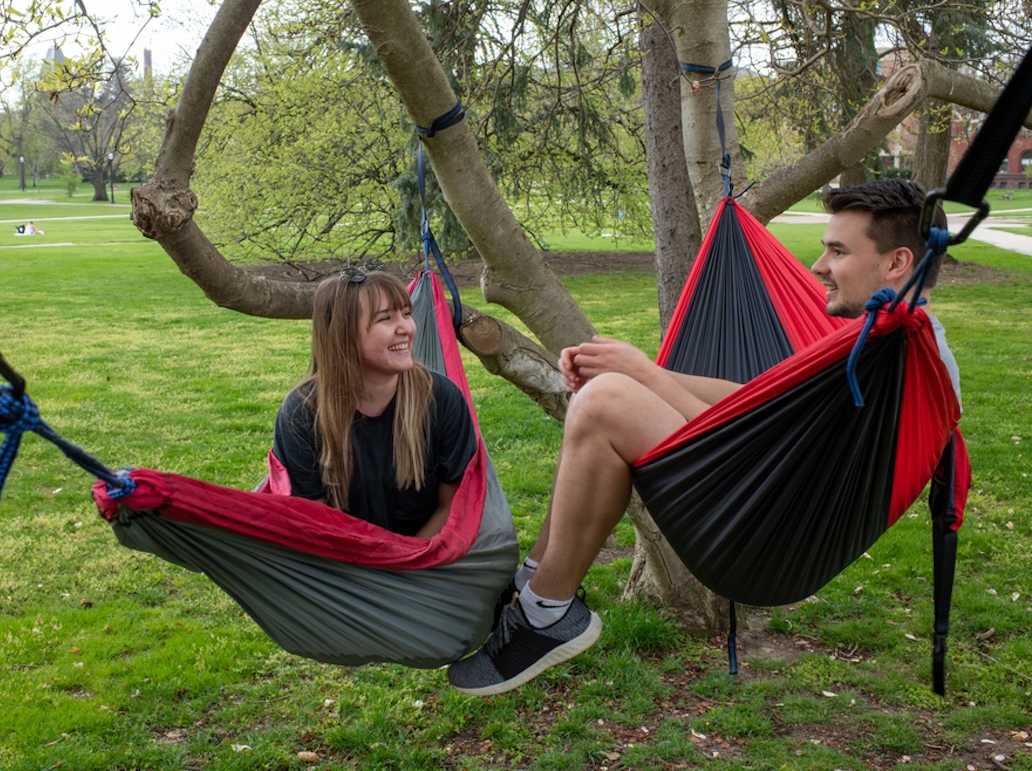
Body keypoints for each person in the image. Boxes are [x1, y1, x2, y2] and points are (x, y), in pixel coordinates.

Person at [447, 178, 958, 696]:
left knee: (603, 403)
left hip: (763, 534)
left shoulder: (888, 359)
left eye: (837, 251)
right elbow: (754, 400)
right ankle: (530, 580)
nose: (817, 267)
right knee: (602, 391)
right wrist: (640, 369)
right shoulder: (898, 344)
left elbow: (749, 453)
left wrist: (645, 378)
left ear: (896, 264)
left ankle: (543, 611)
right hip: (774, 509)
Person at [273, 268, 478, 539]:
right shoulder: (302, 414)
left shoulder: (442, 399)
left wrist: (403, 566)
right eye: (386, 318)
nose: (406, 328)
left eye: (406, 314)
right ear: (343, 333)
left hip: (425, 561)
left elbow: (451, 507)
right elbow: (314, 523)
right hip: (341, 563)